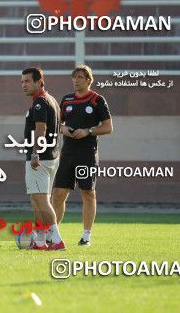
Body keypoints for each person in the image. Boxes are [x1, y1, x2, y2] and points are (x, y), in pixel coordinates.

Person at [52, 65, 113, 246]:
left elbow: (108, 127)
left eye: (80, 77)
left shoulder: (97, 100)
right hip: (67, 154)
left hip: (87, 154)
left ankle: (86, 235)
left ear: (88, 80)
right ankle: (53, 234)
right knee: (58, 193)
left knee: (88, 193)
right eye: (74, 77)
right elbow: (57, 124)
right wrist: (63, 129)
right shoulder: (67, 100)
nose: (76, 80)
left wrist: (88, 131)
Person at [21, 67, 66, 251]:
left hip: (40, 158)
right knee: (36, 199)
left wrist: (35, 153)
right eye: (22, 82)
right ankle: (40, 241)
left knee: (42, 200)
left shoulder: (40, 102)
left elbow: (41, 129)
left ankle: (56, 239)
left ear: (40, 82)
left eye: (27, 81)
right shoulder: (52, 100)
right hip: (51, 157)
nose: (24, 85)